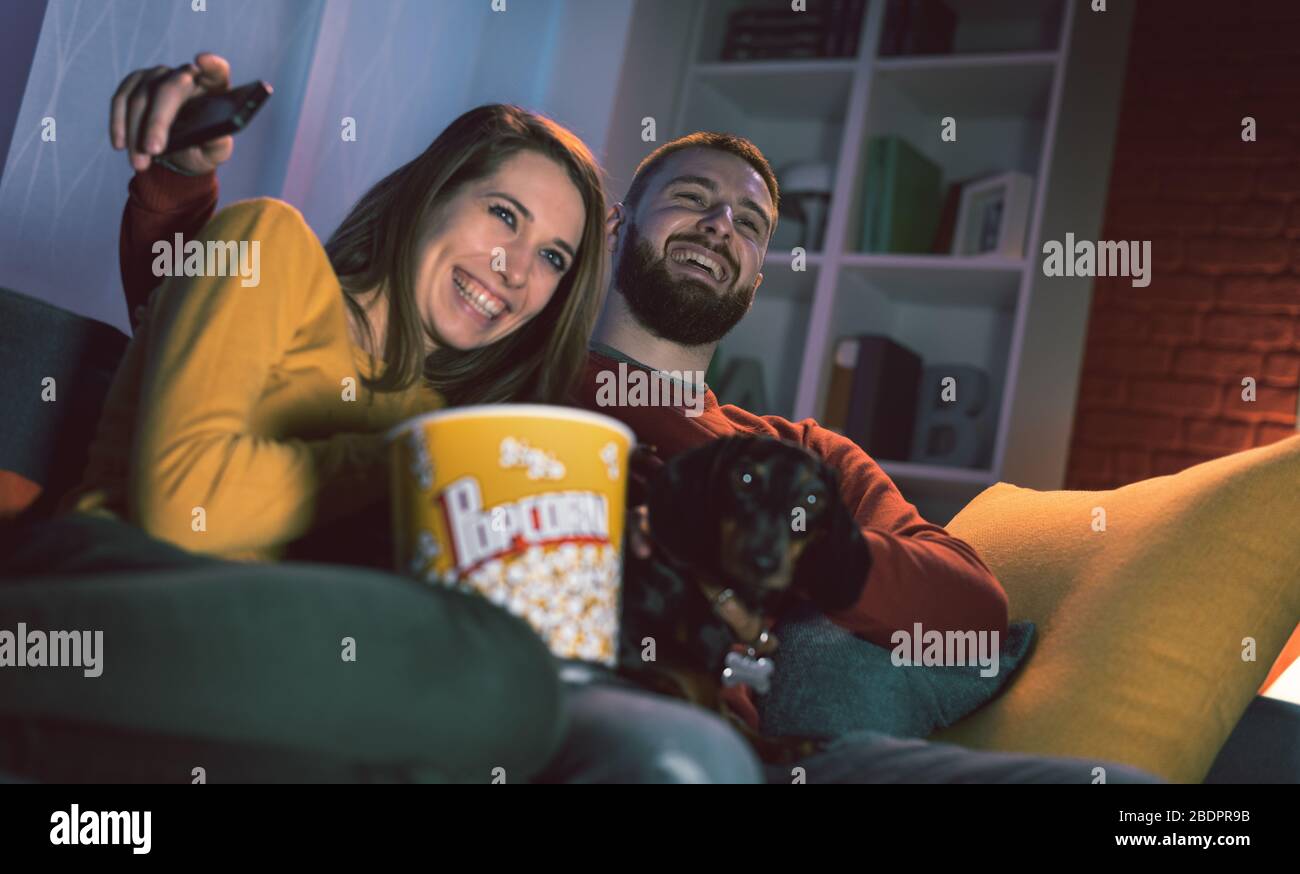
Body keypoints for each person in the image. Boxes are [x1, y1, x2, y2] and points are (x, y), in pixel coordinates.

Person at [110, 55, 1169, 784]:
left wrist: (796, 558)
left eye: (751, 223)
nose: (722, 226)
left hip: (794, 754)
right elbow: (260, 344)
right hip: (601, 719)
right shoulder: (515, 363)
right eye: (693, 199)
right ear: (620, 233)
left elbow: (974, 608)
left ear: (760, 271)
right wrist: (176, 181)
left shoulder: (806, 453)